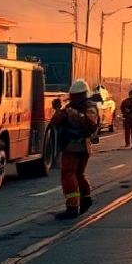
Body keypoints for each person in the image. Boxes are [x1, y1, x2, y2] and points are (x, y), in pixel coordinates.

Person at [50, 78, 99, 220]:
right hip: (76, 146)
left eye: (75, 95)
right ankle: (85, 199)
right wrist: (59, 111)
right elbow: (55, 122)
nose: (73, 98)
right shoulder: (71, 107)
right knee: (78, 175)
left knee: (68, 174)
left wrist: (71, 114)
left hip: (76, 147)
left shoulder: (88, 107)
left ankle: (72, 207)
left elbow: (90, 124)